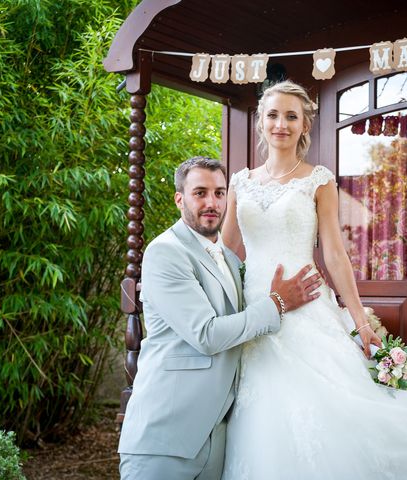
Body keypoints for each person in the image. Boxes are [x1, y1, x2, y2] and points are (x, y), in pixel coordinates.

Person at [221, 80, 407, 479]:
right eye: (273, 115)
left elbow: (333, 253)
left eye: (291, 116)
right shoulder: (240, 182)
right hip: (254, 306)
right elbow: (225, 251)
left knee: (329, 399)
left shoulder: (318, 180)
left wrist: (360, 320)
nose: (281, 124)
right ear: (261, 121)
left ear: (304, 125)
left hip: (305, 305)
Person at [117, 157, 322, 480]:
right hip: (166, 438)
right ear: (179, 199)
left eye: (219, 193)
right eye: (200, 193)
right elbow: (207, 334)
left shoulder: (228, 257)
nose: (211, 203)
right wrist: (277, 302)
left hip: (218, 441)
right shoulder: (165, 252)